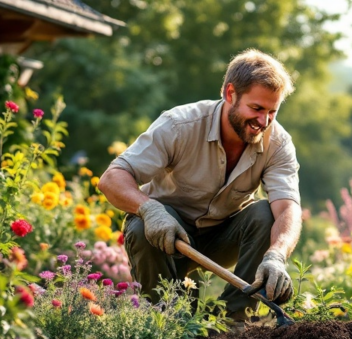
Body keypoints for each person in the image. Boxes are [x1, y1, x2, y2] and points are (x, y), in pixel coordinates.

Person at [98, 49, 302, 321]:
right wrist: (149, 210)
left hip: (222, 239)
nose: (263, 122)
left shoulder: (278, 143)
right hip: (166, 238)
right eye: (256, 108)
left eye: (272, 112)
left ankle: (234, 319)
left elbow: (288, 207)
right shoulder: (179, 125)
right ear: (230, 94)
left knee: (265, 213)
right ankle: (164, 321)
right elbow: (112, 178)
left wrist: (277, 255)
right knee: (139, 225)